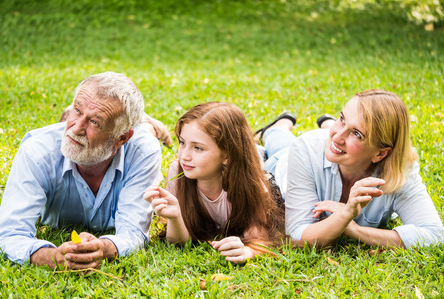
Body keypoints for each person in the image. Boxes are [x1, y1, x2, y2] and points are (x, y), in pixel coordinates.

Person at [0, 72, 162, 268]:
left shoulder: (143, 152)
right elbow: (8, 234)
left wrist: (105, 248)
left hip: (133, 143)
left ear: (122, 139)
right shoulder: (36, 152)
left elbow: (134, 232)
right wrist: (53, 257)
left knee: (145, 138)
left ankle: (148, 126)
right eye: (77, 111)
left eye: (95, 122)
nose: (76, 128)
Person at [258, 89, 444, 249]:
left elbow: (434, 235)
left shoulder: (401, 171)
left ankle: (329, 123)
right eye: (342, 119)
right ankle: (277, 127)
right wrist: (346, 215)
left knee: (336, 143)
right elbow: (298, 233)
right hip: (283, 165)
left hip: (332, 151)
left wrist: (354, 228)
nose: (338, 136)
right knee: (281, 146)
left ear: (380, 154)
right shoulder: (306, 148)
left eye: (357, 133)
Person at [144, 102, 285, 264]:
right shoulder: (179, 171)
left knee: (281, 149)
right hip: (240, 159)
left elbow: (259, 239)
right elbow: (178, 243)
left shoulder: (251, 185)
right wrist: (174, 216)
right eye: (182, 142)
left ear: (227, 155)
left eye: (198, 148)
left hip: (273, 168)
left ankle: (277, 128)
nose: (184, 156)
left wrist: (248, 251)